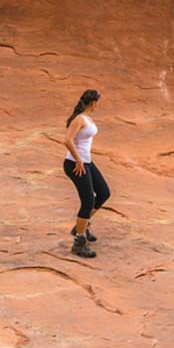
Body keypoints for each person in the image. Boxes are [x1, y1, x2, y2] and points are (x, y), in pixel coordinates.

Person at [63, 88, 111, 258]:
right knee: (88, 201)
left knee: (104, 193)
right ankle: (79, 241)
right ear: (93, 103)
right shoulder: (79, 119)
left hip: (86, 162)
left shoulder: (88, 118)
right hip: (76, 164)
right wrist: (78, 160)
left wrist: (83, 160)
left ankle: (81, 225)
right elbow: (67, 140)